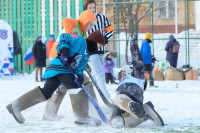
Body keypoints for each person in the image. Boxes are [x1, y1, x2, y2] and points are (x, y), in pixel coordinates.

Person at [6, 31, 105, 125]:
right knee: (76, 87)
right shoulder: (80, 40)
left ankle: (16, 106)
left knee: (47, 92)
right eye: (100, 44)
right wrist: (64, 49)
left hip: (62, 71)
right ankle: (81, 117)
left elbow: (78, 68)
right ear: (94, 41)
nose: (99, 47)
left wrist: (79, 76)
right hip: (60, 67)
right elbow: (64, 36)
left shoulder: (86, 55)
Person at [43, 10, 101, 126]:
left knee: (78, 83)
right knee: (69, 85)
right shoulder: (76, 25)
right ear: (85, 21)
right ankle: (82, 113)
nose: (90, 28)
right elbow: (65, 21)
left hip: (66, 59)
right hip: (58, 56)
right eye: (90, 24)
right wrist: (69, 37)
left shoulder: (82, 33)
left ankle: (91, 109)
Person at [110, 35, 164, 128]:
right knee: (117, 122)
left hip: (126, 96)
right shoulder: (130, 78)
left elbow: (137, 59)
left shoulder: (136, 75)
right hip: (135, 101)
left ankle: (136, 109)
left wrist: (133, 44)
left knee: (118, 98)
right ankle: (145, 111)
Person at [85, 0, 115, 100]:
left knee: (95, 75)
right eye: (90, 8)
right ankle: (108, 99)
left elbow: (111, 30)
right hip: (90, 52)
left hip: (101, 51)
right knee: (100, 75)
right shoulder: (83, 20)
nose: (93, 10)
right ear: (86, 8)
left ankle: (89, 97)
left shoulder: (102, 18)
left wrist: (104, 39)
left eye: (94, 7)